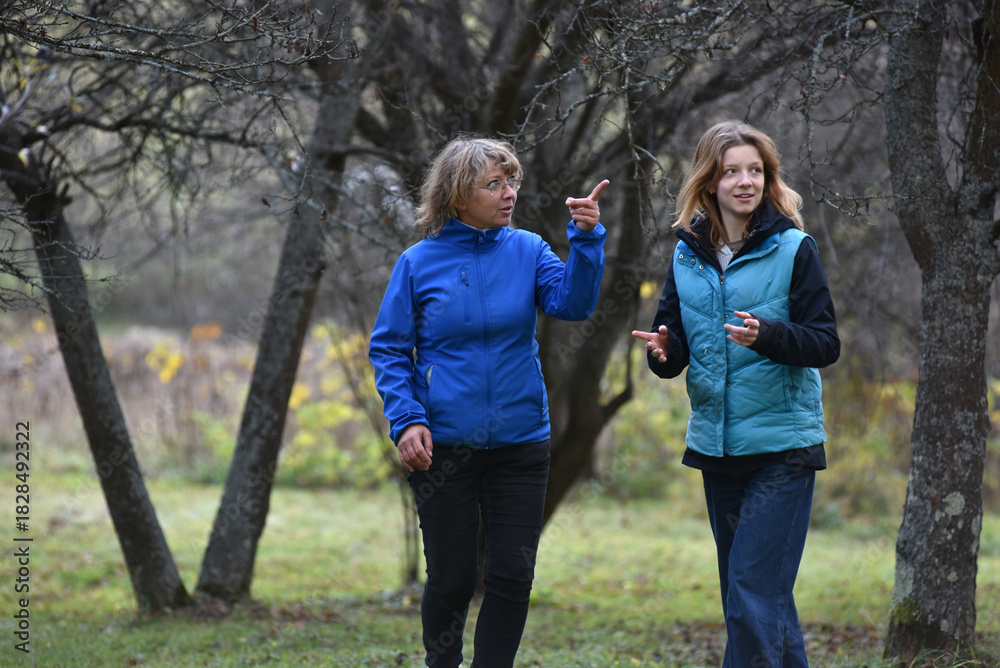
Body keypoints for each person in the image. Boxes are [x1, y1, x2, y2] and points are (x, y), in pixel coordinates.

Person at [369, 136, 609, 668]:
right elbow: (388, 347)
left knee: (511, 577)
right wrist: (406, 419)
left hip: (521, 442)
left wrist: (587, 240)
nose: (509, 194)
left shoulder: (528, 250)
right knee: (452, 579)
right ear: (458, 196)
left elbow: (572, 303)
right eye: (494, 184)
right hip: (443, 446)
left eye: (512, 182)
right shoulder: (417, 263)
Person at [632, 121, 839, 667]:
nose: (745, 181)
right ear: (709, 182)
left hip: (783, 450)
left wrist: (766, 334)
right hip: (719, 452)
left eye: (755, 170)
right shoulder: (685, 255)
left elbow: (825, 343)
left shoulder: (795, 248)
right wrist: (662, 352)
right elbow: (673, 348)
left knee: (751, 594)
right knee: (757, 600)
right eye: (731, 172)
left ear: (767, 178)